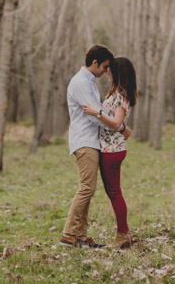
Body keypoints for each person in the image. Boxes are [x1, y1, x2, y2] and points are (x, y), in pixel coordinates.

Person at [60, 44, 131, 249]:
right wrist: (120, 127)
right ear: (95, 63)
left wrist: (118, 124)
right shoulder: (81, 83)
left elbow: (99, 112)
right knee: (86, 189)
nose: (106, 71)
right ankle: (68, 234)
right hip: (85, 141)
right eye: (105, 66)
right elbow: (95, 116)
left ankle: (80, 236)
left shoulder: (88, 82)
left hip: (92, 141)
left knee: (88, 190)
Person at [82, 56, 137, 250]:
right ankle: (123, 233)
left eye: (110, 69)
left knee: (114, 193)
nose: (107, 71)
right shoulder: (115, 93)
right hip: (109, 147)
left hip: (113, 150)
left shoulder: (120, 95)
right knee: (112, 192)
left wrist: (96, 113)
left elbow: (115, 123)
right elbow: (119, 124)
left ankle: (123, 234)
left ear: (118, 72)